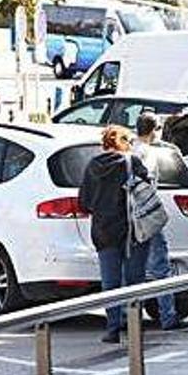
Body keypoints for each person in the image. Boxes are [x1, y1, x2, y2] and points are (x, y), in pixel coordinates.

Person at [79, 125, 152, 344]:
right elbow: (147, 192)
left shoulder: (93, 166)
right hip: (133, 231)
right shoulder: (132, 163)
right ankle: (134, 326)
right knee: (135, 280)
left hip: (104, 231)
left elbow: (84, 202)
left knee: (110, 281)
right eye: (129, 141)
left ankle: (112, 328)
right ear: (123, 142)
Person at [134, 113, 188, 331]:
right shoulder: (148, 154)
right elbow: (147, 184)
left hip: (130, 217)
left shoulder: (130, 150)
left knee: (133, 269)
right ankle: (168, 316)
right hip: (147, 216)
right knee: (160, 267)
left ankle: (128, 318)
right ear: (154, 130)